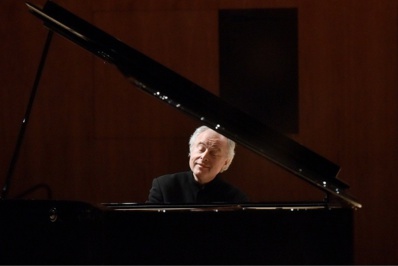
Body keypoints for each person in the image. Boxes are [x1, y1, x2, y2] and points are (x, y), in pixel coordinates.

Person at [147, 125, 249, 204]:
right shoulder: (164, 186)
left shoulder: (236, 199)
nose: (204, 157)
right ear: (191, 150)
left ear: (226, 162)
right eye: (201, 149)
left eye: (213, 153)